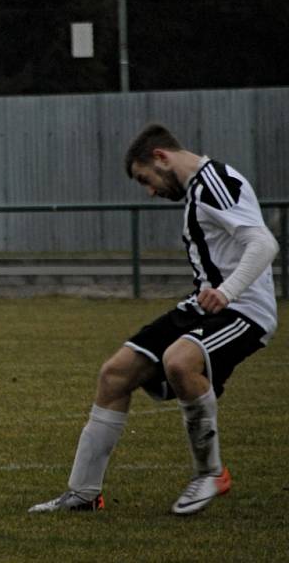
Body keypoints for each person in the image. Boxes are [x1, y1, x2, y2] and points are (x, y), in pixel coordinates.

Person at [28, 123, 279, 516]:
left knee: (180, 361)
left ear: (161, 157)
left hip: (244, 310)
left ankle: (210, 472)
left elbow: (264, 242)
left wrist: (227, 291)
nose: (149, 190)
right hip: (204, 305)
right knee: (115, 374)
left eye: (146, 179)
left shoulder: (213, 183)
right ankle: (82, 495)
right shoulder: (201, 188)